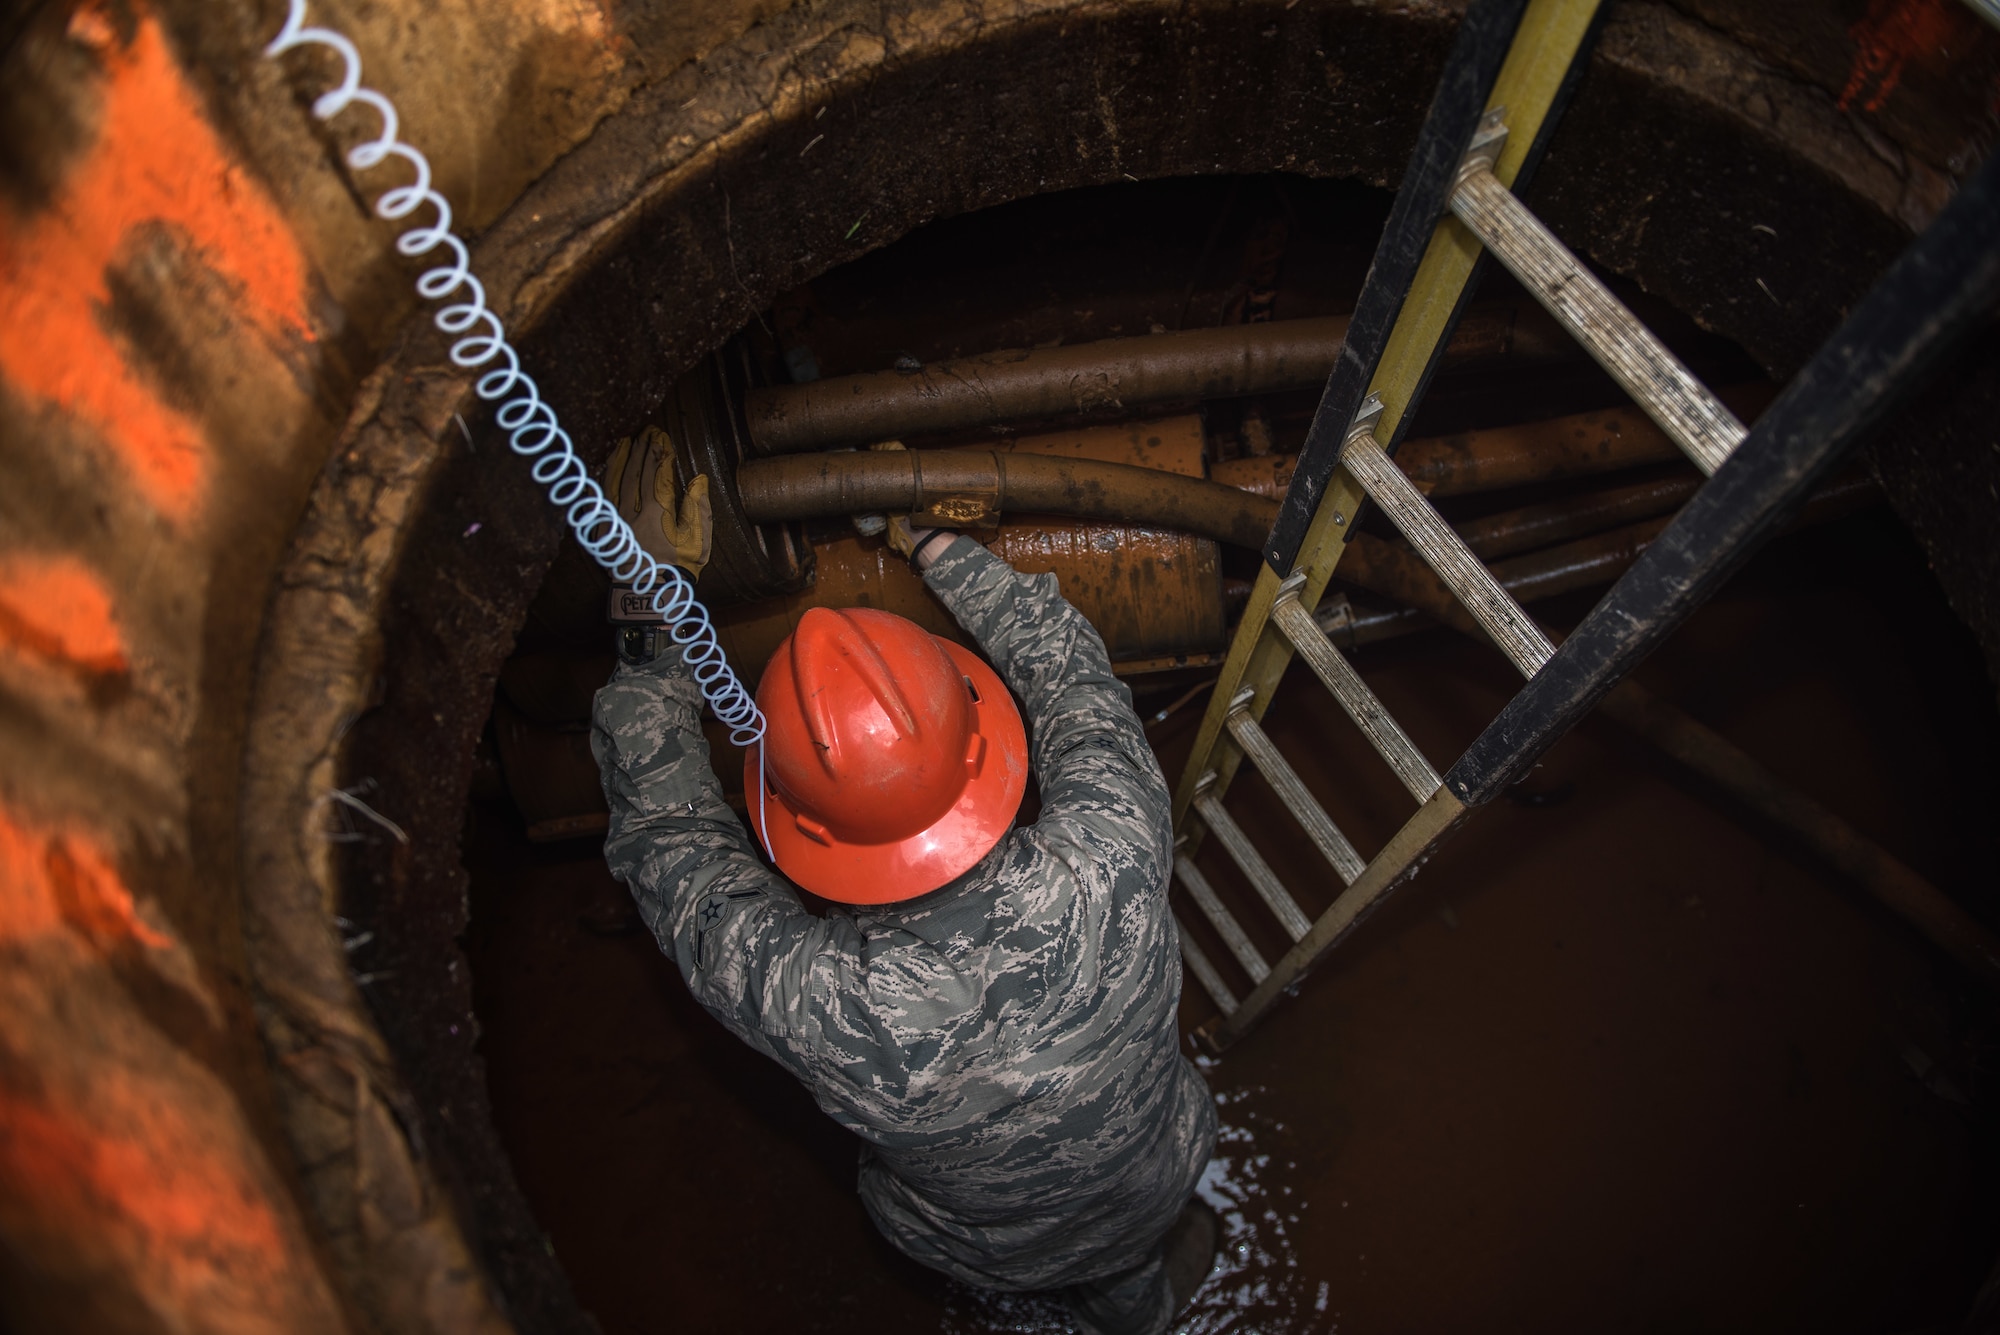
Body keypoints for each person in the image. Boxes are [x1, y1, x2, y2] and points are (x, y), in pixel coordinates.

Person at [590, 506, 1218, 1334]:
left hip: (989, 1244)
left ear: (801, 823)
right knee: (1130, 1271)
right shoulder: (1118, 847)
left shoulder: (815, 1003)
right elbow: (1070, 673)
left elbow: (671, 842)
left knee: (947, 1218)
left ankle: (1091, 1292)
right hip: (1157, 1177)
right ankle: (1138, 1309)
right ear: (978, 741)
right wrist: (934, 542)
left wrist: (649, 625)